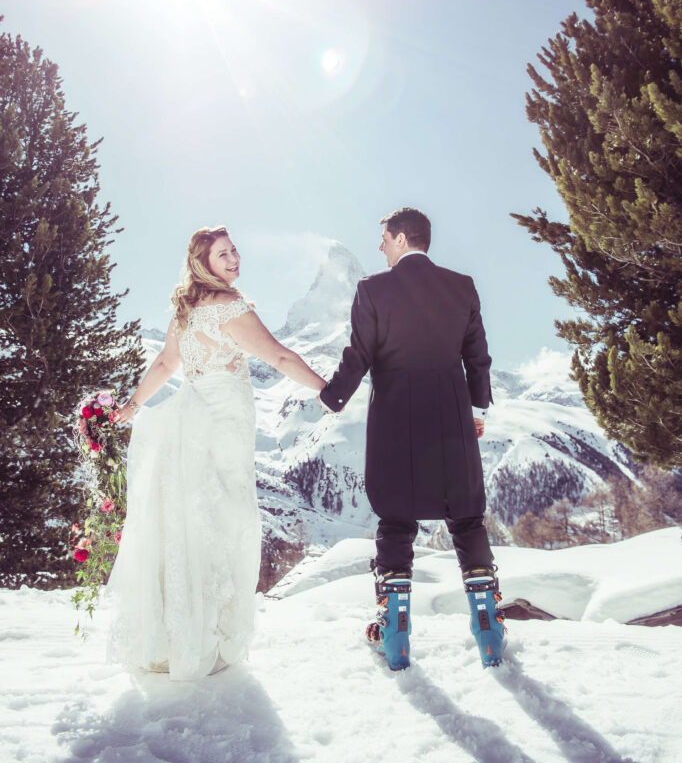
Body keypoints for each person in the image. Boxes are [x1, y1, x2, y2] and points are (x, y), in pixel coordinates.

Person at [107, 226, 326, 680]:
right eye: (222, 254)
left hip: (192, 421)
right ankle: (207, 637)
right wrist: (329, 391)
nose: (233, 258)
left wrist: (132, 406)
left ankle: (178, 635)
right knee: (227, 524)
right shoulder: (229, 307)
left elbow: (168, 364)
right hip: (222, 428)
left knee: (192, 523)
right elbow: (280, 358)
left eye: (234, 250)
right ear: (202, 263)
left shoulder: (185, 314)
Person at [319, 207, 506, 670]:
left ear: (402, 238)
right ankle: (489, 632)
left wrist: (331, 397)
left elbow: (358, 355)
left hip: (394, 426)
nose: (380, 246)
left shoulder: (372, 290)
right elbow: (476, 356)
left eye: (383, 237)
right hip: (452, 420)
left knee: (396, 522)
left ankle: (395, 633)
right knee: (466, 519)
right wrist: (478, 409)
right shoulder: (461, 286)